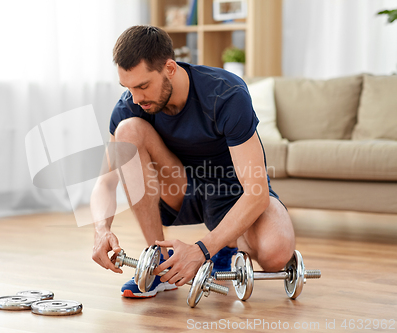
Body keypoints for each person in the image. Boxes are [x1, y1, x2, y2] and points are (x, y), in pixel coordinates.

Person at [91, 25, 296, 298]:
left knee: (276, 254)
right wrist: (101, 230)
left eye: (143, 85)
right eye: (128, 87)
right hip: (179, 188)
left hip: (233, 193)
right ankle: (159, 264)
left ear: (170, 69)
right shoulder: (131, 105)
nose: (136, 98)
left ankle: (228, 246)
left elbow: (256, 191)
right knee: (128, 129)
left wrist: (202, 249)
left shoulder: (226, 94)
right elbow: (105, 183)